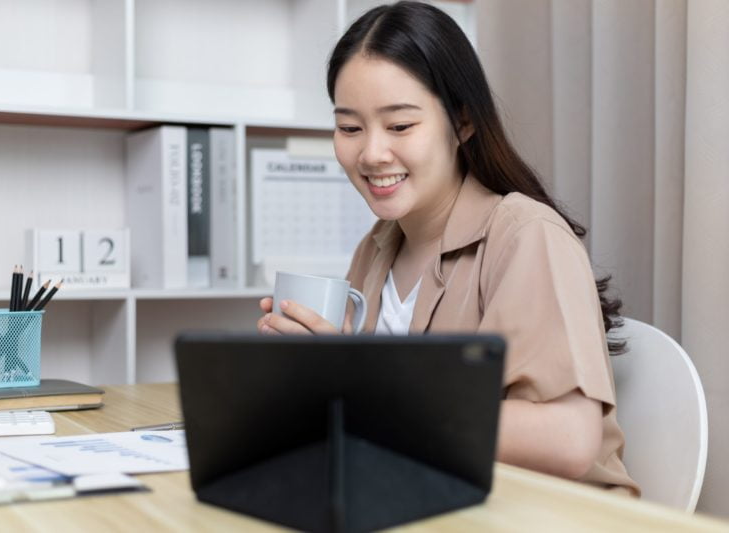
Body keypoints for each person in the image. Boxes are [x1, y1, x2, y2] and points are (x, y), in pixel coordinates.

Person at [257, 1, 639, 495]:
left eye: (400, 126)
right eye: (350, 128)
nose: (371, 153)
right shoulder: (377, 247)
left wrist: (365, 396)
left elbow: (568, 439)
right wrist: (310, 375)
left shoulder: (526, 234)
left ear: (463, 122)